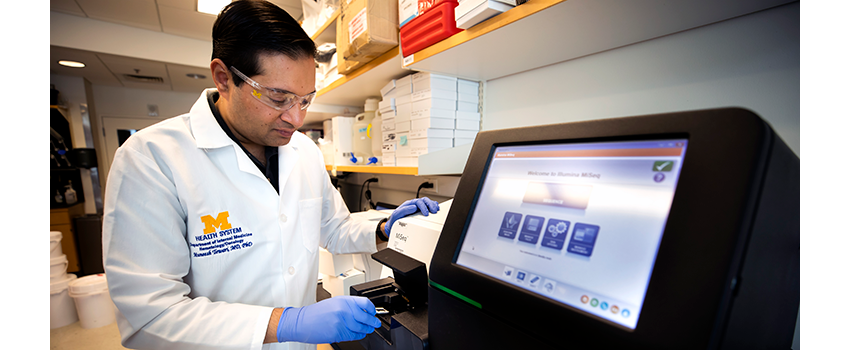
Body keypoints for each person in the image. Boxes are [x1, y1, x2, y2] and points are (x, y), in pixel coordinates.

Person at [101, 1, 439, 349]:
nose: (296, 118)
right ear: (223, 77)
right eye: (279, 97)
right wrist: (285, 323)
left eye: (306, 99)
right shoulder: (152, 158)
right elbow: (149, 316)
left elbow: (332, 228)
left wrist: (384, 228)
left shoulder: (304, 151)